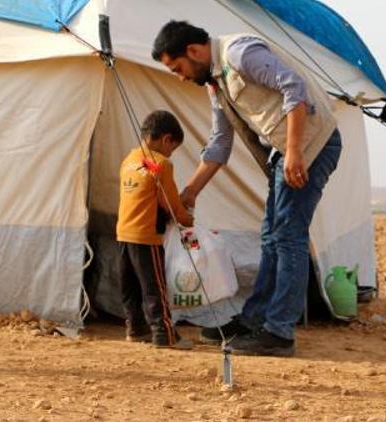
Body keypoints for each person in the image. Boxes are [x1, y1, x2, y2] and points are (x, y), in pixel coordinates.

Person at [152, 21, 342, 357]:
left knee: (288, 235)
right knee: (271, 235)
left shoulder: (239, 54)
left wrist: (295, 152)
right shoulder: (216, 84)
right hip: (286, 152)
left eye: (177, 68)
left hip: (311, 145)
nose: (179, 76)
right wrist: (191, 191)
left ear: (193, 51)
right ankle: (256, 320)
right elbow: (219, 142)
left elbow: (294, 89)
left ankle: (280, 332)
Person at [116, 110, 195, 350]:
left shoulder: (129, 159)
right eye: (173, 147)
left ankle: (135, 328)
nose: (171, 153)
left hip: (123, 232)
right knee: (154, 287)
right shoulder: (159, 164)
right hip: (146, 234)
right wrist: (186, 219)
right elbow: (170, 203)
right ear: (166, 139)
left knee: (129, 286)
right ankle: (164, 334)